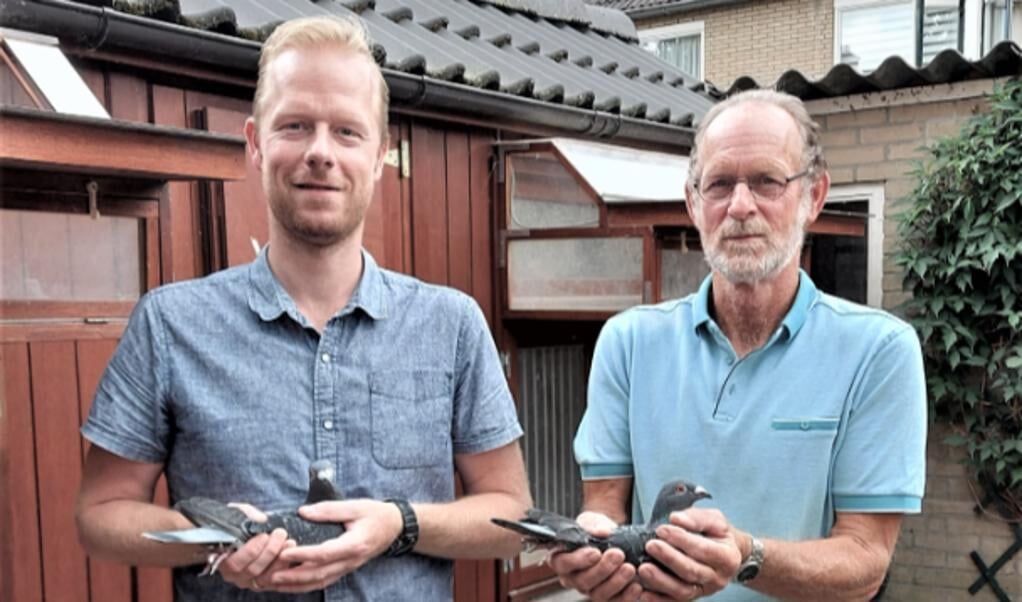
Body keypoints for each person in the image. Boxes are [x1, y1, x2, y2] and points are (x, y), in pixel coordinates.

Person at [75, 15, 530, 601]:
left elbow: (511, 518)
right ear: (256, 143)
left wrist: (399, 524)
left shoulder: (452, 326)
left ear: (380, 155)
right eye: (295, 126)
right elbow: (101, 513)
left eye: (347, 131)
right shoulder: (170, 326)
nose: (320, 151)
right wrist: (210, 539)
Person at [548, 89, 927, 601]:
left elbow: (864, 564)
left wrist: (745, 556)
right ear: (693, 202)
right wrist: (596, 557)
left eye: (767, 181)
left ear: (814, 196)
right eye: (720, 184)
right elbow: (606, 510)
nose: (740, 206)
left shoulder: (879, 352)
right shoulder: (628, 342)